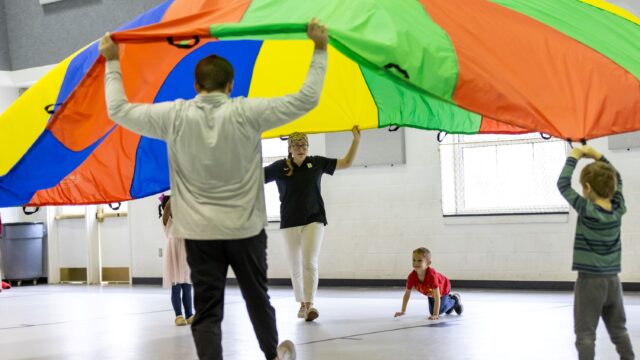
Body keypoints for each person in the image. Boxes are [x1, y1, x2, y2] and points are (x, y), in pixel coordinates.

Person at [99, 17, 329, 360]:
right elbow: (306, 99)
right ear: (232, 84)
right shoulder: (248, 112)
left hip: (198, 233)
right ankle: (273, 355)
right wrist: (320, 48)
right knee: (256, 298)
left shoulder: (173, 116)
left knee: (207, 311)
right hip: (246, 230)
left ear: (195, 84)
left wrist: (112, 61)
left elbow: (117, 110)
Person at [264, 126, 360, 321]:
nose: (301, 148)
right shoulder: (279, 167)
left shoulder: (316, 163)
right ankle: (301, 303)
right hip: (289, 222)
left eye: (304, 144)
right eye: (297, 145)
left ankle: (310, 305)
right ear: (290, 148)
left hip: (313, 220)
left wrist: (356, 140)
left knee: (309, 262)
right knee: (295, 266)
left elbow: (346, 163)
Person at [557, 145, 634, 360]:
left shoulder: (586, 208)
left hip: (589, 282)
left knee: (586, 335)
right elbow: (617, 178)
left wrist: (574, 156)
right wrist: (597, 155)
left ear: (587, 188)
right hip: (613, 282)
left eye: (582, 186)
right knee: (619, 330)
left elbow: (562, 184)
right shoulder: (618, 209)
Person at [394, 247, 462, 320]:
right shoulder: (412, 276)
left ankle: (455, 299)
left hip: (443, 289)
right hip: (430, 292)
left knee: (438, 311)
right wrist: (403, 311)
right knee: (433, 312)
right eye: (414, 260)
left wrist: (435, 315)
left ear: (428, 263)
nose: (415, 263)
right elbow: (407, 294)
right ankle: (449, 307)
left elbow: (437, 296)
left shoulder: (431, 276)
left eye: (419, 261)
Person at [159, 194, 194, 326]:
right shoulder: (167, 222)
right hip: (173, 259)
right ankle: (179, 315)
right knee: (176, 287)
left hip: (185, 257)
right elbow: (167, 209)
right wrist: (175, 193)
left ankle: (190, 314)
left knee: (187, 286)